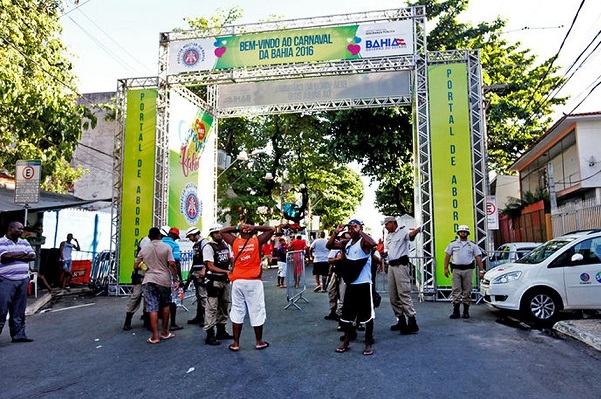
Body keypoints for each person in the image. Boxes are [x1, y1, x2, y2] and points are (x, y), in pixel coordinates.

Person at [220, 222, 274, 352]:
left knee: (237, 310)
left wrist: (237, 227)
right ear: (251, 232)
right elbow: (271, 230)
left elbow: (223, 232)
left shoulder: (235, 242)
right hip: (253, 281)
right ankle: (259, 342)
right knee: (256, 310)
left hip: (238, 281)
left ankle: (236, 343)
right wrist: (255, 227)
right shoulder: (257, 241)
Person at [326, 219, 377, 356]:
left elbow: (373, 243)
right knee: (347, 315)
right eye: (349, 228)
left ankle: (368, 342)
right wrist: (336, 232)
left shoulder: (364, 242)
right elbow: (329, 245)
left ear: (360, 228)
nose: (351, 230)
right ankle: (346, 340)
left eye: (354, 227)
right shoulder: (346, 243)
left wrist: (360, 231)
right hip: (351, 284)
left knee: (367, 315)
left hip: (364, 284)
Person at [134, 227, 178, 343]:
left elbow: (136, 265)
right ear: (160, 235)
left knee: (152, 307)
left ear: (149, 237)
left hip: (148, 279)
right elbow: (172, 264)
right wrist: (176, 280)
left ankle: (155, 336)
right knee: (165, 305)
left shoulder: (144, 249)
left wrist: (144, 266)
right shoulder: (166, 247)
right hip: (164, 279)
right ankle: (164, 332)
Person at [383, 216, 421, 334]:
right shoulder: (389, 236)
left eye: (387, 224)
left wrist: (418, 229)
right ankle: (401, 319)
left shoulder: (402, 232)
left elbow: (410, 236)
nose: (385, 226)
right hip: (392, 266)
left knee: (403, 293)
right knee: (393, 296)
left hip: (401, 266)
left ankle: (412, 320)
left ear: (393, 223)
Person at [0, 221, 37, 342]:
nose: (22, 231)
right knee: (2, 308)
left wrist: (14, 255)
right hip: (6, 280)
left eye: (22, 229)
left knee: (19, 309)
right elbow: (5, 257)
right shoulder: (1, 242)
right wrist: (22, 254)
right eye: (19, 229)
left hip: (23, 279)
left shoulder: (24, 242)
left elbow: (32, 256)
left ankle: (18, 335)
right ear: (11, 229)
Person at [443, 224, 485, 319]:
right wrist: (445, 268)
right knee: (456, 290)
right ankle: (456, 311)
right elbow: (447, 256)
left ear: (468, 233)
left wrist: (481, 271)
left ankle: (466, 311)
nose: (463, 233)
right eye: (461, 232)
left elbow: (478, 258)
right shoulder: (453, 244)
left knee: (467, 291)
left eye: (465, 232)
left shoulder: (473, 245)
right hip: (456, 270)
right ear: (458, 233)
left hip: (468, 270)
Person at [202, 224, 234, 346]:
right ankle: (210, 334)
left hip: (224, 280)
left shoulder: (225, 245)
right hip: (213, 280)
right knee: (212, 307)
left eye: (220, 232)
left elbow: (230, 258)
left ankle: (221, 330)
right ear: (212, 235)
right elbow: (210, 266)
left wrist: (233, 267)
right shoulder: (209, 247)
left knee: (224, 305)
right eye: (216, 233)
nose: (219, 234)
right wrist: (226, 271)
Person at [123, 232, 150, 331]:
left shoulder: (152, 242)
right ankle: (128, 319)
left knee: (148, 297)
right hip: (142, 273)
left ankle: (147, 319)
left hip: (149, 273)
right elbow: (138, 261)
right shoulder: (146, 242)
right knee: (136, 296)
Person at [184, 226, 208, 326]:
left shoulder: (204, 243)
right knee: (198, 296)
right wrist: (191, 271)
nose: (189, 239)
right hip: (196, 272)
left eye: (190, 236)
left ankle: (207, 319)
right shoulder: (196, 245)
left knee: (203, 296)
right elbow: (195, 260)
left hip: (202, 273)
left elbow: (208, 258)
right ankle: (199, 317)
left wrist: (204, 269)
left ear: (195, 234)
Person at [161, 226, 184, 331]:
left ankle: (152, 324)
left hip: (157, 277)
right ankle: (173, 323)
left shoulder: (159, 243)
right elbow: (176, 263)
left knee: (158, 300)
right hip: (169, 277)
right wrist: (179, 278)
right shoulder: (174, 245)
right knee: (172, 301)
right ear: (175, 236)